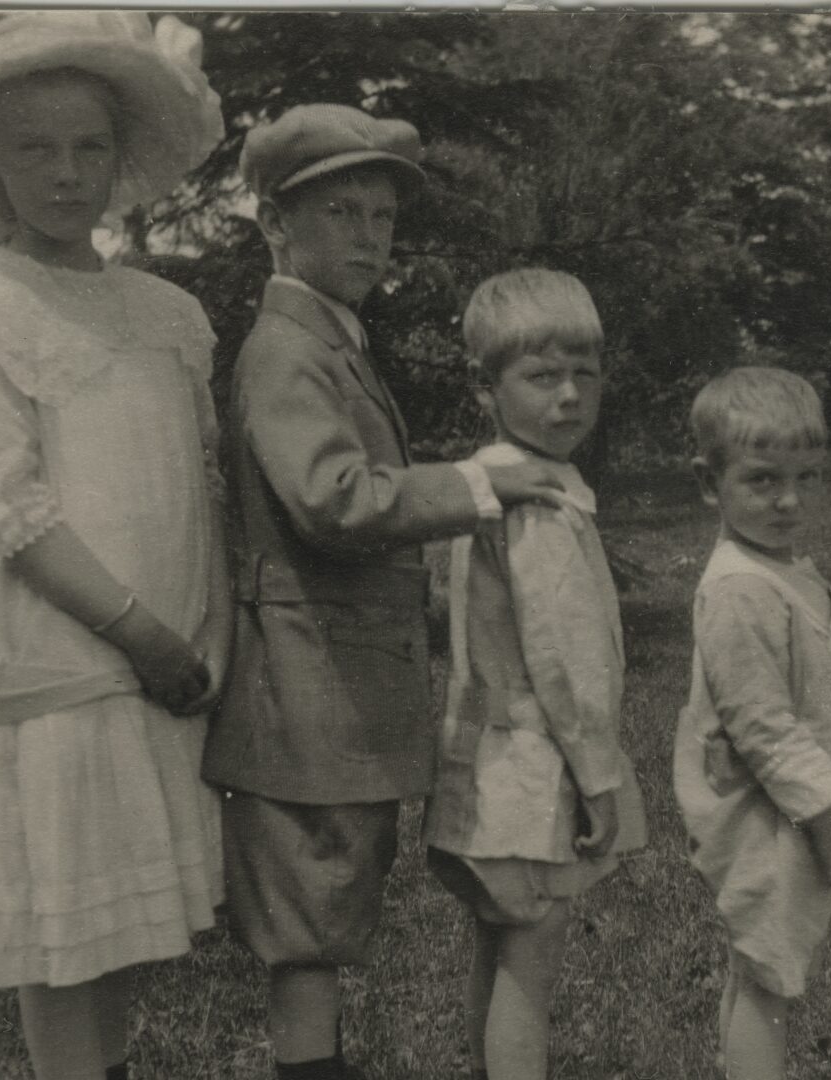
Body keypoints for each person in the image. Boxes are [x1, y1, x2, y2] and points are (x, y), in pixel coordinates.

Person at [203, 107, 565, 1080]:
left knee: (328, 911)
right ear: (275, 223)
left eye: (381, 218)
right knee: (309, 922)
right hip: (302, 697)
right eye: (341, 214)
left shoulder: (330, 341)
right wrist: (477, 483)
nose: (368, 236)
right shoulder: (286, 350)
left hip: (334, 695)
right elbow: (332, 499)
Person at [0, 11, 227, 1079]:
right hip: (70, 659)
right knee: (65, 932)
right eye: (35, 148)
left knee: (127, 926)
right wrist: (141, 634)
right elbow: (2, 510)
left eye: (89, 146)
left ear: (122, 153)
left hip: (169, 661)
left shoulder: (169, 314)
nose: (65, 172)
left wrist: (200, 635)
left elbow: (198, 485)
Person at [423, 269, 647, 1080]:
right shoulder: (537, 500)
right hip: (535, 767)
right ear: (488, 388)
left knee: (499, 938)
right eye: (542, 376)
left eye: (585, 373)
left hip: (485, 759)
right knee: (531, 958)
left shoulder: (479, 482)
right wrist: (598, 777)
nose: (569, 397)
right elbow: (566, 660)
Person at [673, 367, 831, 1080]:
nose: (789, 500)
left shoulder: (779, 567)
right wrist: (827, 822)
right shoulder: (739, 590)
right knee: (771, 975)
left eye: (809, 478)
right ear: (709, 483)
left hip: (786, 806)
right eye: (763, 481)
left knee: (761, 962)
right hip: (771, 817)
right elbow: (762, 726)